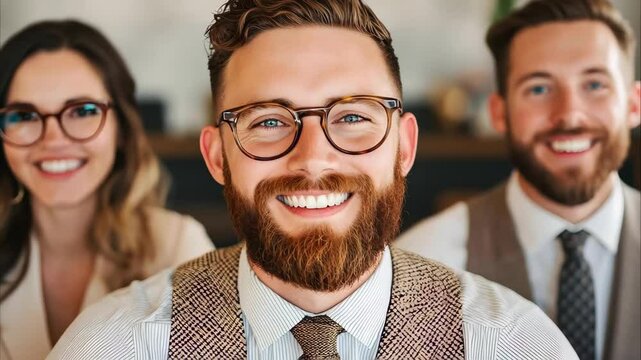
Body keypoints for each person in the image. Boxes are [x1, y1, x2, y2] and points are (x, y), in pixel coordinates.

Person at [49, 1, 578, 359]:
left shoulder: (515, 344)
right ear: (216, 156)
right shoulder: (114, 346)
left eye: (352, 117)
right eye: (269, 121)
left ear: (405, 146)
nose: (314, 158)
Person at [396, 0, 640, 359]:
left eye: (595, 84)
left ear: (634, 105)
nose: (569, 114)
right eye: (539, 89)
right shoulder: (426, 265)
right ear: (499, 113)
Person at [0, 20, 214, 359]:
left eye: (82, 111)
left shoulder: (178, 247)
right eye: (23, 116)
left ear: (122, 128)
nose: (54, 140)